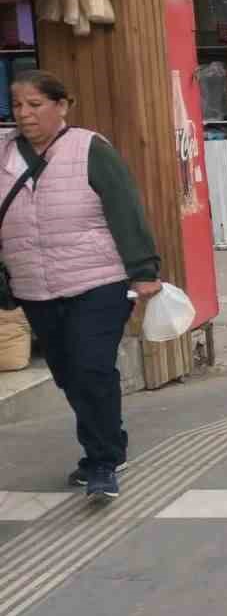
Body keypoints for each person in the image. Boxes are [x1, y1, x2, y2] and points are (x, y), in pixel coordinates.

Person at [1, 72, 163, 502]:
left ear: (62, 105)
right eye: (18, 105)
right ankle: (107, 441)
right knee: (69, 374)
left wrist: (143, 270)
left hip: (97, 281)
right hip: (35, 286)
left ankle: (102, 461)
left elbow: (124, 207)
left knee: (92, 367)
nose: (24, 114)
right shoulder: (3, 155)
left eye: (35, 105)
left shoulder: (90, 148)